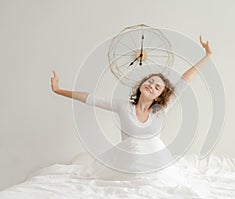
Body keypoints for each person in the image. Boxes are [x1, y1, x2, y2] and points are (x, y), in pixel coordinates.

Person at [50, 35, 212, 180]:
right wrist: (58, 90)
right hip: (130, 163)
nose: (151, 86)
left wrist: (207, 56)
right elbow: (90, 98)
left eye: (157, 87)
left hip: (157, 164)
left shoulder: (161, 111)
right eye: (150, 82)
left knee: (154, 147)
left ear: (158, 97)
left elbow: (185, 79)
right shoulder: (123, 106)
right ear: (142, 85)